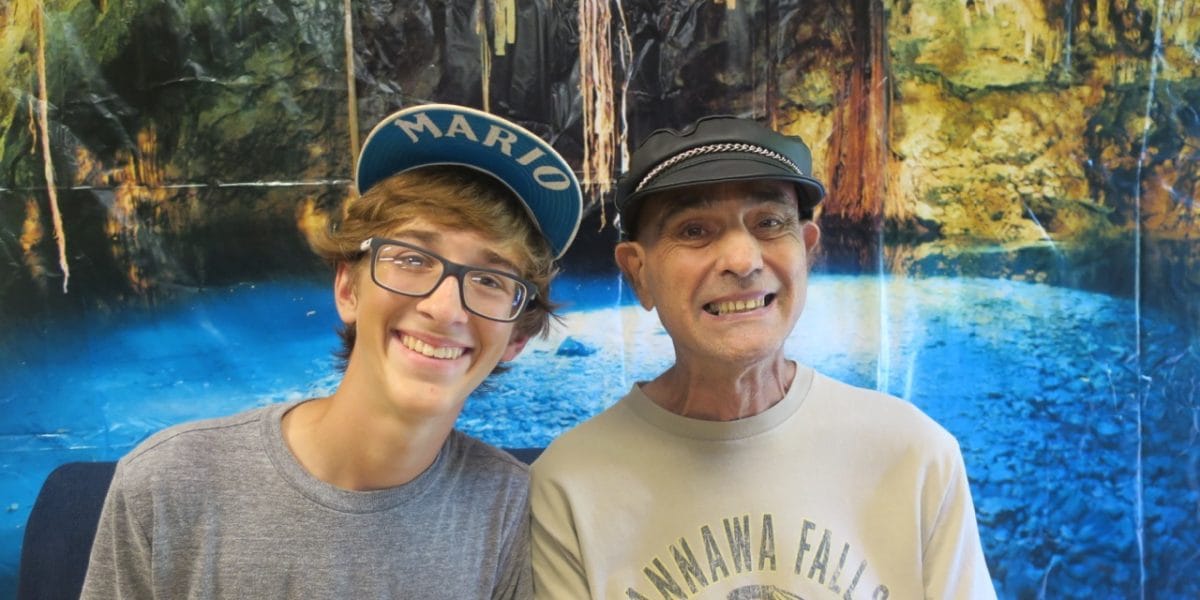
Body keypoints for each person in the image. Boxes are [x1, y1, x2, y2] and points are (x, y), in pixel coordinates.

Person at [81, 103, 582, 599]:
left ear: (518, 337)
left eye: (491, 280)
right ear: (348, 289)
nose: (444, 308)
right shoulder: (167, 484)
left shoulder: (510, 511)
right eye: (412, 259)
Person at [530, 115, 995, 599]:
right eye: (694, 230)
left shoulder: (915, 454)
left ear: (807, 252)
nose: (743, 260)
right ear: (638, 274)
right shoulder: (569, 485)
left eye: (769, 223)